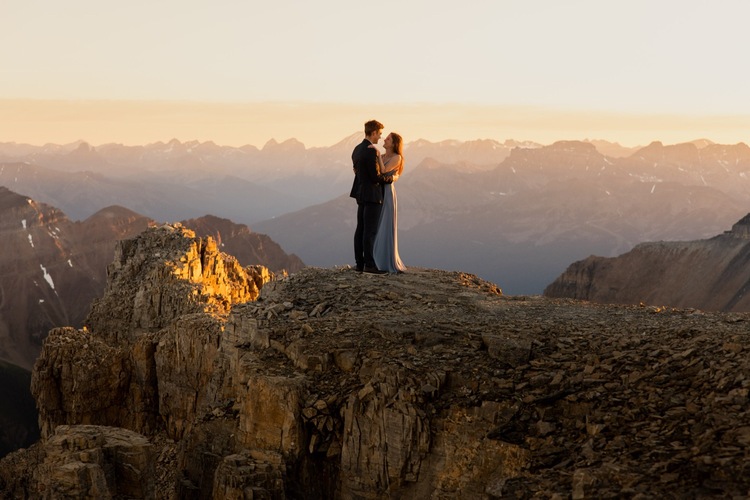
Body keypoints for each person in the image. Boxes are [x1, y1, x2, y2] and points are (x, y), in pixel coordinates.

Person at [350, 120, 388, 274]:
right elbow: (375, 177)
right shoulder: (371, 150)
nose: (380, 137)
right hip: (372, 195)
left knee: (360, 229)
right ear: (373, 133)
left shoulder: (356, 149)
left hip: (360, 194)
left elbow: (356, 170)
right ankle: (370, 265)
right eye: (379, 133)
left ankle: (359, 264)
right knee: (370, 231)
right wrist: (390, 179)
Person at [372, 132, 407, 273]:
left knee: (385, 223)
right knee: (377, 224)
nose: (384, 139)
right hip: (379, 190)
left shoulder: (396, 157)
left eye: (388, 139)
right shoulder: (382, 156)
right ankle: (375, 258)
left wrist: (378, 156)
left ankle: (385, 261)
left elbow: (384, 170)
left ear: (393, 143)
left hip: (386, 192)